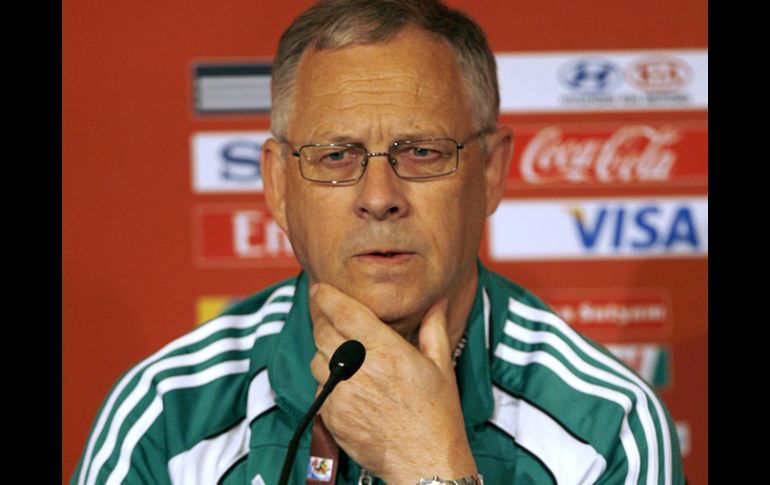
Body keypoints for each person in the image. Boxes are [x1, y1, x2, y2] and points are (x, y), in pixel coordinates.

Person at [70, 0, 685, 484]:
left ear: (492, 173)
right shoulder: (167, 414)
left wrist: (432, 468)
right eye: (336, 155)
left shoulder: (608, 427)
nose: (379, 195)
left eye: (422, 151)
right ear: (278, 184)